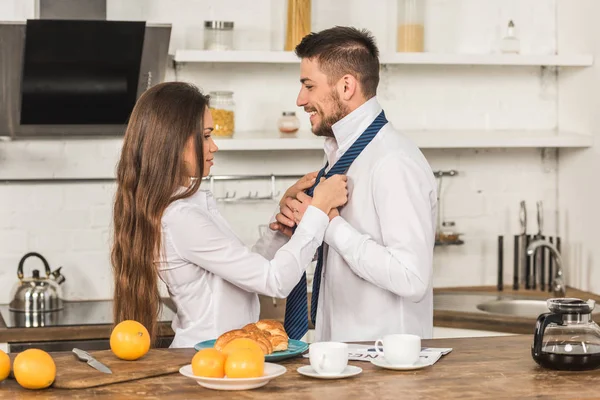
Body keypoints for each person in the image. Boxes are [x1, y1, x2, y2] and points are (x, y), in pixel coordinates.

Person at [110, 81, 348, 348]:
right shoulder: (181, 217)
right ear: (171, 142)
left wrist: (279, 229)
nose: (214, 147)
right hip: (207, 355)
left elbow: (244, 274)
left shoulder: (187, 207)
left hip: (217, 353)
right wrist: (318, 212)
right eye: (205, 135)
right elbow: (274, 282)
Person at [269, 26, 438, 342]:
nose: (300, 99)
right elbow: (344, 263)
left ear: (346, 86)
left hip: (383, 369)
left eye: (308, 85)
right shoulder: (340, 155)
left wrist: (330, 226)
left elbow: (412, 278)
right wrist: (303, 226)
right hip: (340, 356)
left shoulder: (393, 162)